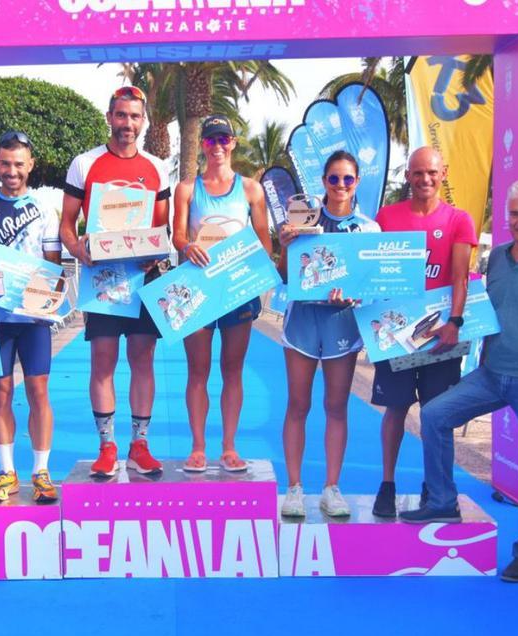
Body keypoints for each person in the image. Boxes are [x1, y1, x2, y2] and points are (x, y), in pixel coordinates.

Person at [400, 179, 518, 584]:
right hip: (491, 374)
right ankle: (443, 501)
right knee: (434, 415)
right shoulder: (497, 257)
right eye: (514, 213)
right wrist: (447, 331)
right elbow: (482, 311)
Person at [59, 85, 171, 477]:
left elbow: (162, 228)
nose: (128, 124)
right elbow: (67, 226)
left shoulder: (157, 167)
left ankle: (139, 445)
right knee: (102, 362)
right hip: (103, 280)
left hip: (143, 280)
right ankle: (107, 447)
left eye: (135, 117)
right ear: (109, 117)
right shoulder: (85, 164)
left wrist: (155, 252)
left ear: (144, 121)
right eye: (121, 115)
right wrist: (79, 250)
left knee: (143, 361)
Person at [370, 147, 478, 518]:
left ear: (443, 173)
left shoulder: (459, 219)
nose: (425, 179)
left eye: (431, 172)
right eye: (417, 173)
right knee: (395, 409)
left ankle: (436, 488)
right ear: (408, 176)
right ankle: (387, 484)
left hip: (441, 337)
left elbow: (461, 276)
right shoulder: (386, 216)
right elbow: (373, 271)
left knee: (438, 414)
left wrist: (455, 322)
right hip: (397, 335)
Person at [0, 130, 63, 504]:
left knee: (39, 392)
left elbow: (53, 267)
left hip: (34, 319)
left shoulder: (45, 212)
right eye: (5, 163)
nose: (11, 171)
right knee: (0, 393)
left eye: (18, 164)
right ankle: (6, 472)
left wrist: (49, 297)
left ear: (30, 165)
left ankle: (41, 472)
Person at [277, 151, 378, 519]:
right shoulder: (303, 221)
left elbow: (370, 283)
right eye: (333, 179)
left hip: (341, 324)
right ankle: (294, 488)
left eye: (347, 179)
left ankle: (331, 488)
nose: (340, 186)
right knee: (297, 405)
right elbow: (288, 276)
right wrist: (285, 246)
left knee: (336, 407)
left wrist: (357, 295)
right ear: (323, 181)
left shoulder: (368, 229)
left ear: (357, 182)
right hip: (303, 322)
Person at [171, 115, 272, 473]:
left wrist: (250, 267)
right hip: (198, 289)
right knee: (196, 371)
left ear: (233, 143)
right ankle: (198, 447)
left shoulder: (251, 190)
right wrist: (187, 248)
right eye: (210, 140)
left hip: (236, 290)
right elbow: (178, 236)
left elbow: (264, 240)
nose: (217, 146)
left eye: (223, 139)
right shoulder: (186, 189)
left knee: (233, 369)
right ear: (202, 145)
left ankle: (229, 447)